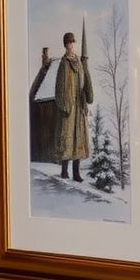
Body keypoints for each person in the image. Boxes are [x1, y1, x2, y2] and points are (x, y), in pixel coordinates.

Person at [55, 28, 94, 182]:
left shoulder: (79, 61)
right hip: (69, 108)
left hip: (79, 106)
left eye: (72, 42)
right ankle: (64, 171)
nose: (71, 45)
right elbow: (59, 85)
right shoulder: (63, 63)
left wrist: (88, 97)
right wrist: (65, 105)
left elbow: (85, 80)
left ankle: (76, 173)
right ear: (65, 45)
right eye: (68, 43)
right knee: (67, 138)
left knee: (78, 139)